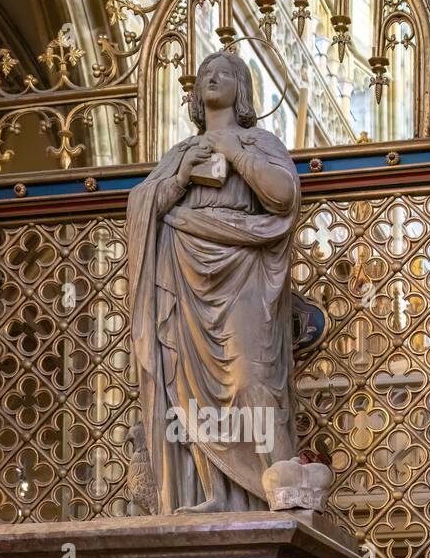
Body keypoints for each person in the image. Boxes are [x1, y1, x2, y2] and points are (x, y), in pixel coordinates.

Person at [127, 52, 301, 512]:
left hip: (242, 270)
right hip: (184, 272)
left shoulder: (260, 141)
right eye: (204, 73)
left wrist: (235, 153)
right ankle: (215, 494)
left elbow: (282, 196)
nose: (211, 77)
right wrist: (181, 177)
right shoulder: (180, 153)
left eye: (223, 73)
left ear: (241, 88)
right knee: (189, 389)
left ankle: (275, 492)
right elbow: (146, 205)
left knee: (249, 379)